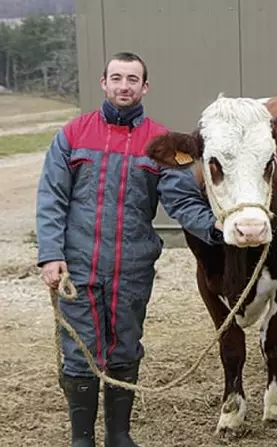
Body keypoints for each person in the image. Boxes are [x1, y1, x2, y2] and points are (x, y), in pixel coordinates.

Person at [36, 52, 223, 447]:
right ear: (104, 82)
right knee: (80, 349)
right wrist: (51, 254)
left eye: (132, 79)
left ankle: (119, 435)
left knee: (124, 346)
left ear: (145, 87)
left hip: (132, 268)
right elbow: (51, 197)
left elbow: (182, 200)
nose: (125, 86)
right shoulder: (73, 134)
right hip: (78, 267)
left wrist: (216, 228)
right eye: (117, 78)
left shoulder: (160, 143)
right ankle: (81, 438)